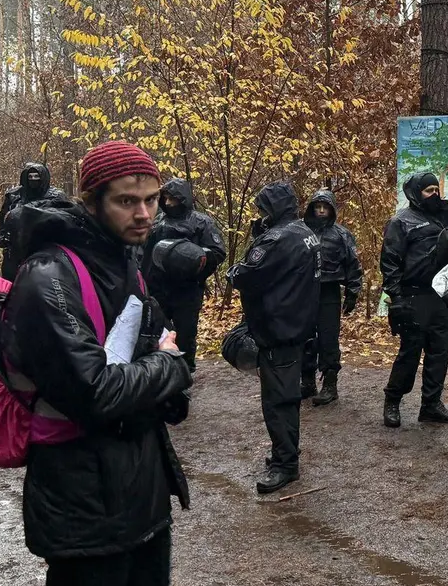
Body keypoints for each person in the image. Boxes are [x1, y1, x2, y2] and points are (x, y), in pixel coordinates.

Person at [0, 140, 193, 586]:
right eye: (127, 201)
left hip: (143, 495)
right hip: (82, 506)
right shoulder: (47, 278)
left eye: (151, 198)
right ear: (91, 201)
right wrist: (169, 368)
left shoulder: (127, 261)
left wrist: (164, 383)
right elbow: (96, 392)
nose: (145, 213)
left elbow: (144, 347)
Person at [229, 181, 320, 494]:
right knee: (285, 396)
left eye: (263, 209)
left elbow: (243, 275)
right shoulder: (305, 232)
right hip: (295, 325)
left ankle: (285, 464)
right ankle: (284, 455)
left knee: (278, 400)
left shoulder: (277, 239)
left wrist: (250, 251)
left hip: (278, 328)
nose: (260, 214)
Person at [380, 171, 448, 428]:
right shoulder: (401, 222)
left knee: (439, 351)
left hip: (439, 297)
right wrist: (396, 296)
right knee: (410, 352)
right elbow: (390, 261)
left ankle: (431, 404)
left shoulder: (443, 220)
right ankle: (392, 401)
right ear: (416, 193)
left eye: (437, 189)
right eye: (428, 190)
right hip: (412, 295)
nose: (434, 194)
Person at [140, 178, 226, 372]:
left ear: (184, 199)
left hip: (187, 290)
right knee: (156, 331)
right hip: (157, 289)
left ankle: (185, 371)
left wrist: (195, 260)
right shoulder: (156, 220)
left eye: (174, 199)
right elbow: (141, 251)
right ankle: (159, 371)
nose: (169, 203)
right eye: (166, 198)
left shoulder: (200, 221)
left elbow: (217, 252)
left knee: (186, 333)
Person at [301, 189, 363, 405]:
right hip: (303, 292)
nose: (320, 210)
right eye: (317, 206)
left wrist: (353, 292)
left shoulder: (341, 234)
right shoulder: (300, 231)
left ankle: (330, 385)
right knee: (304, 337)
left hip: (329, 291)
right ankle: (307, 382)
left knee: (328, 338)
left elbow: (353, 264)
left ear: (332, 209)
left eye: (325, 207)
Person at [0, 163, 68, 278]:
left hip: (44, 248)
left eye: (36, 176)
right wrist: (2, 235)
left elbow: (64, 221)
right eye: (30, 177)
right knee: (10, 282)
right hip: (15, 247)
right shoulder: (14, 195)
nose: (33, 180)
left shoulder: (56, 196)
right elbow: (3, 218)